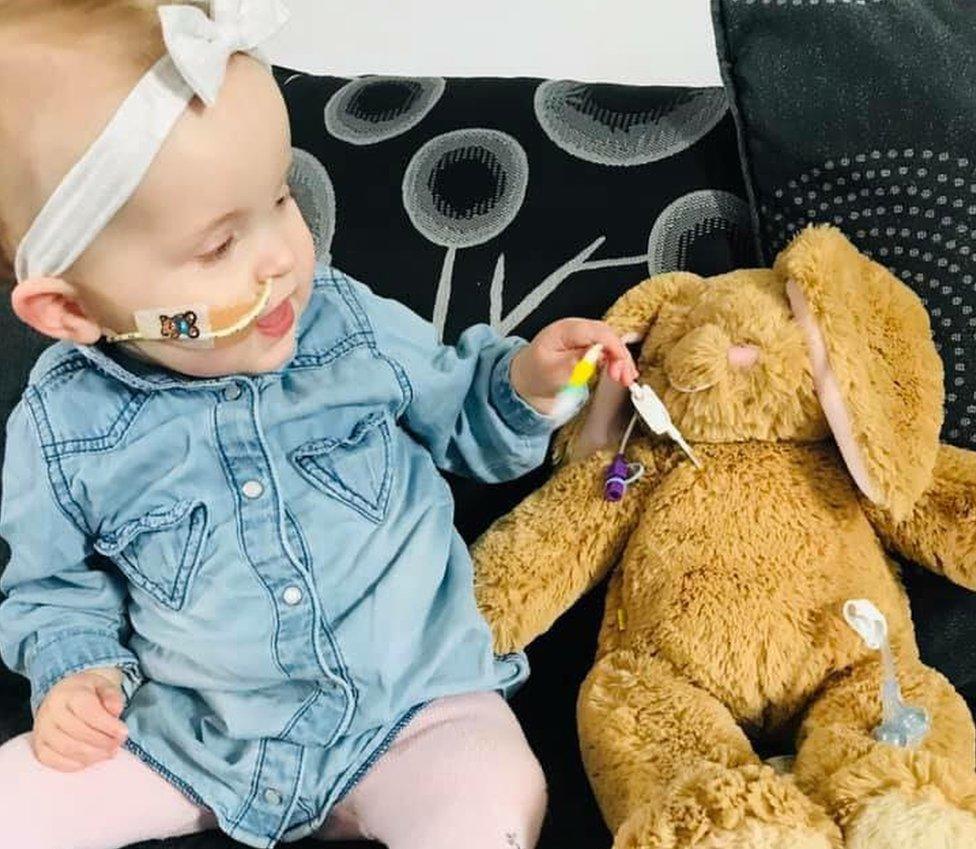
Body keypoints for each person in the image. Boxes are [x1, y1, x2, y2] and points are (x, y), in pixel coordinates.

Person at [0, 2, 637, 848]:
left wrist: (530, 378)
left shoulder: (346, 323)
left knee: (489, 795)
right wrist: (75, 674)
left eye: (279, 198)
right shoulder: (60, 423)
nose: (282, 255)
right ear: (71, 309)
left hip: (412, 711)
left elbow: (468, 418)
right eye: (218, 245)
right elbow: (50, 587)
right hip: (191, 736)